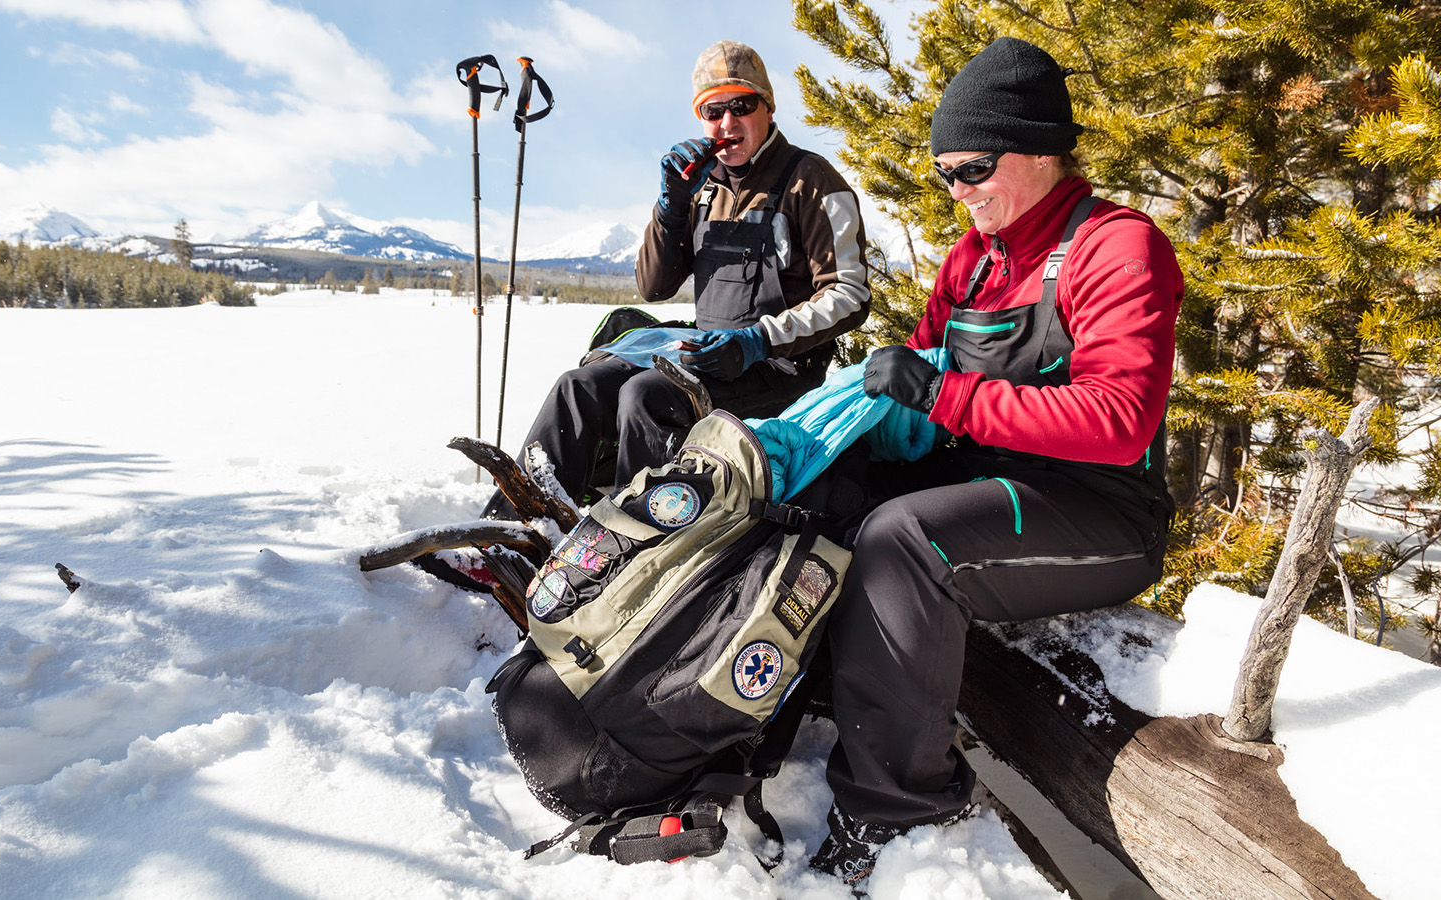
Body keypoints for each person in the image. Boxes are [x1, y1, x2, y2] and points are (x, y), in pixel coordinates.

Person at [806, 36, 1183, 891]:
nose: (958, 192)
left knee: (907, 542)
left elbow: (1121, 422)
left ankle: (897, 811)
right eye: (945, 174)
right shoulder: (973, 261)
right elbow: (918, 373)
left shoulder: (1116, 247)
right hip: (995, 482)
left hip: (1100, 509)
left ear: (1040, 147)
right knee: (838, 493)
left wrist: (946, 399)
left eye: (972, 168)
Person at [480, 40, 870, 520]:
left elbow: (851, 293)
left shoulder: (812, 180)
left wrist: (758, 340)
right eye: (713, 110)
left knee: (645, 395)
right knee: (577, 387)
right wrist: (670, 208)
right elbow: (653, 287)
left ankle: (628, 548)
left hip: (778, 370)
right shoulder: (700, 187)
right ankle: (517, 529)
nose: (727, 123)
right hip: (703, 354)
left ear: (767, 108)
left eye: (741, 106)